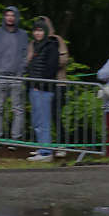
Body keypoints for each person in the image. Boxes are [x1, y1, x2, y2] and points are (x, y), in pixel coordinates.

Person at [23, 15, 66, 160]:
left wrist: (39, 85)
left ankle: (46, 153)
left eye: (40, 30)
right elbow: (32, 67)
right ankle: (42, 147)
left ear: (46, 31)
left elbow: (51, 69)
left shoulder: (51, 46)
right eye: (35, 30)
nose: (37, 33)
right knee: (37, 121)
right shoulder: (35, 46)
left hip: (44, 89)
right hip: (33, 88)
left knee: (44, 121)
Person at [0, 6, 29, 143]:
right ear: (4, 17)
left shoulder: (22, 34)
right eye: (7, 15)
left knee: (17, 109)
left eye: (12, 15)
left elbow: (25, 54)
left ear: (16, 17)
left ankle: (15, 139)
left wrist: (21, 72)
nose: (10, 18)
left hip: (16, 77)